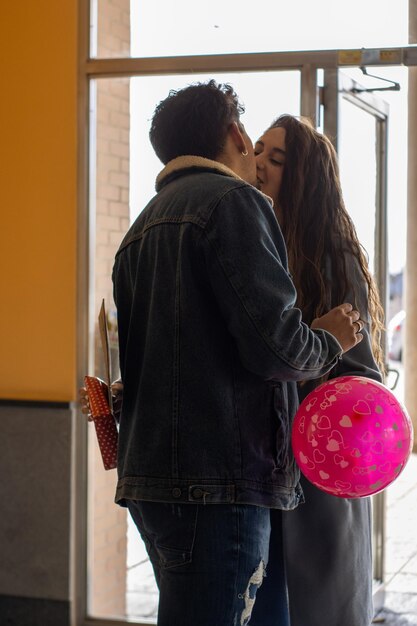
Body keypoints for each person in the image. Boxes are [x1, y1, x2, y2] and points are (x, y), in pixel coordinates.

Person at [82, 82, 363, 626]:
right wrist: (329, 337)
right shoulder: (232, 202)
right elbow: (277, 348)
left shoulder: (139, 229)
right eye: (253, 143)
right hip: (218, 486)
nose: (257, 162)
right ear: (234, 132)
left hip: (153, 483)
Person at [251, 114, 384, 626]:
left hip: (320, 463)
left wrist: (303, 363)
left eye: (275, 158)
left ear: (306, 178)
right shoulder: (254, 239)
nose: (258, 163)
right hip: (264, 462)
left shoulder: (334, 253)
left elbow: (360, 375)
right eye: (258, 150)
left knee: (320, 606)